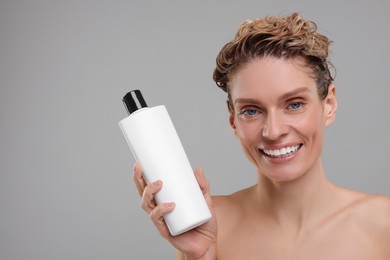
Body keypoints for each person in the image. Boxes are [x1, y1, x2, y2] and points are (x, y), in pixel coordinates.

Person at [132, 12, 390, 259]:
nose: (274, 131)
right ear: (233, 119)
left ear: (329, 104)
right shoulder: (211, 225)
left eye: (295, 104)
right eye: (251, 110)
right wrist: (200, 256)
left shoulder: (383, 225)